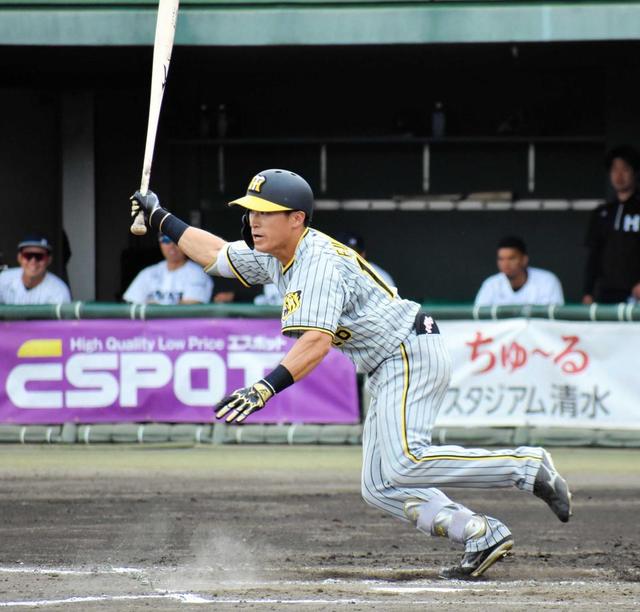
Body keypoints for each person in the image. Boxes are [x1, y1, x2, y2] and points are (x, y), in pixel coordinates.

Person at [130, 168, 572, 579]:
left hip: (407, 351)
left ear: (296, 219)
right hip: (386, 361)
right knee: (379, 486)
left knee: (405, 461)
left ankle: (526, 466)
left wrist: (266, 387)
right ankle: (479, 532)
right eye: (250, 211)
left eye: (264, 212)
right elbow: (218, 255)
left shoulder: (316, 262)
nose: (252, 220)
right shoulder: (277, 251)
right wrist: (160, 216)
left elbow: (316, 342)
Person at [254, 231, 395, 306]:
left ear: (363, 254)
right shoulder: (316, 270)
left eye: (354, 252)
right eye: (345, 251)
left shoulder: (379, 276)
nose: (349, 257)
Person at [583, 145, 640, 304]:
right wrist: (587, 291)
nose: (619, 175)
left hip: (636, 292)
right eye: (614, 170)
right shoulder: (602, 212)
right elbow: (594, 255)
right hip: (606, 292)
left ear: (634, 172)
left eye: (625, 169)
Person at [123, 233, 213, 305]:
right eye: (166, 240)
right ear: (160, 244)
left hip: (182, 327)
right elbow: (131, 303)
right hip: (149, 327)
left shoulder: (197, 273)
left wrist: (154, 308)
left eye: (176, 241)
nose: (171, 245)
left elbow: (191, 306)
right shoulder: (148, 273)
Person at [474, 236, 564, 307]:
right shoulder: (491, 284)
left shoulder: (547, 281)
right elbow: (478, 320)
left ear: (524, 259)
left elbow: (554, 319)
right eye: (501, 259)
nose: (505, 264)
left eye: (511, 258)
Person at [0, 234, 71, 305]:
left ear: (49, 260)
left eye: (39, 256)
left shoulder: (58, 291)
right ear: (20, 258)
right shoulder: (4, 279)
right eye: (28, 256)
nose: (33, 261)